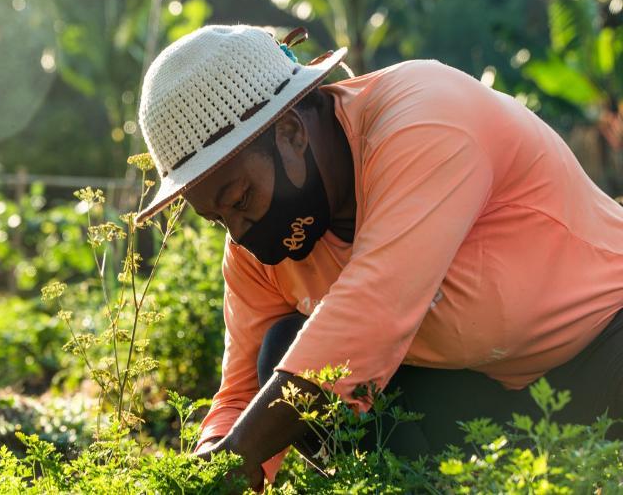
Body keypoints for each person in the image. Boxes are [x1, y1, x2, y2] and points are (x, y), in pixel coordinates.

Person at [134, 24, 623, 490]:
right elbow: (241, 397)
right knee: (284, 349)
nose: (239, 235)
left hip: (605, 351)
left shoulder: (424, 113)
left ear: (290, 133)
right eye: (217, 219)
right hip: (493, 398)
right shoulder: (256, 244)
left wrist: (236, 460)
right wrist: (212, 460)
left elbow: (373, 308)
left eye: (239, 200)